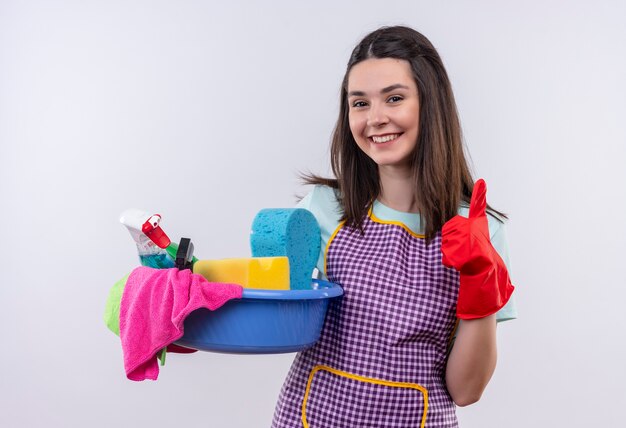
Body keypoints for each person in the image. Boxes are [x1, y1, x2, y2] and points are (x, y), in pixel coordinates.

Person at [271, 25, 516, 428]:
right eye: (360, 103)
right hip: (311, 417)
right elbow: (277, 318)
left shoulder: (478, 229)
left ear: (431, 104)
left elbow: (466, 391)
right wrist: (193, 311)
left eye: (395, 98)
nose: (375, 118)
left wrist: (479, 284)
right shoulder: (324, 209)